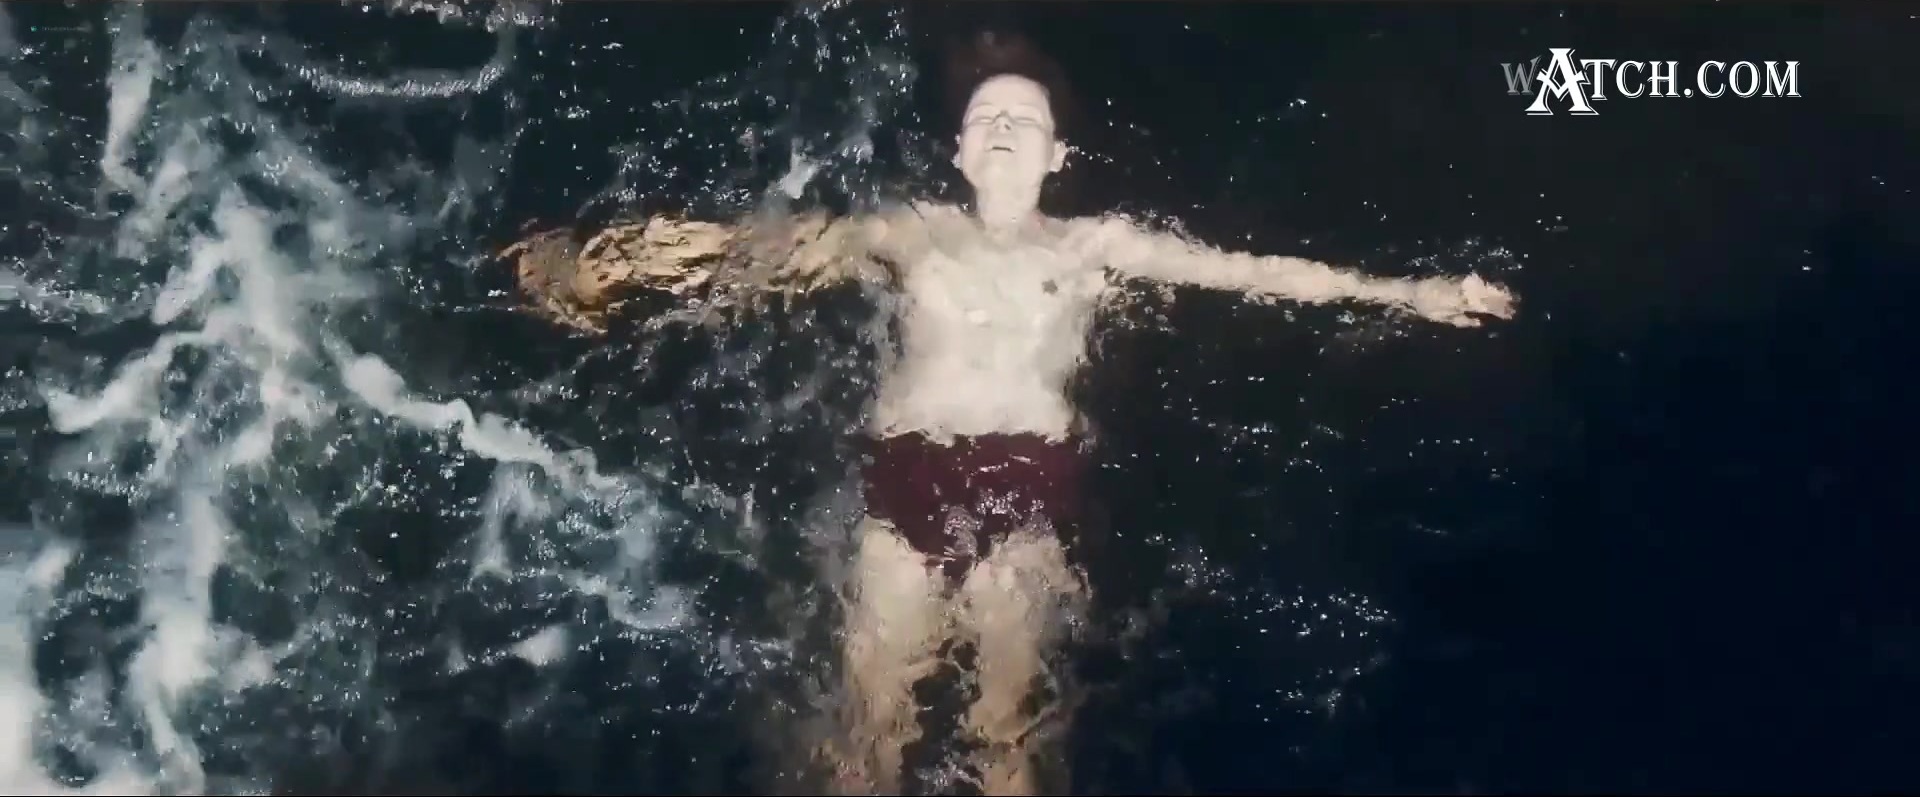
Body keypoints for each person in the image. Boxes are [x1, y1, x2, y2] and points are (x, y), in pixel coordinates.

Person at [502, 31, 1514, 796]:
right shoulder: (910, 231)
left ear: (1056, 155)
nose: (1000, 125)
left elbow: (1251, 272)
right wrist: (606, 263)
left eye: (1022, 118)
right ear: (957, 149)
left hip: (1026, 492)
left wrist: (1414, 294)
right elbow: (764, 247)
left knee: (1003, 741)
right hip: (903, 486)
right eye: (985, 113)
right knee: (862, 742)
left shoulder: (1095, 247)